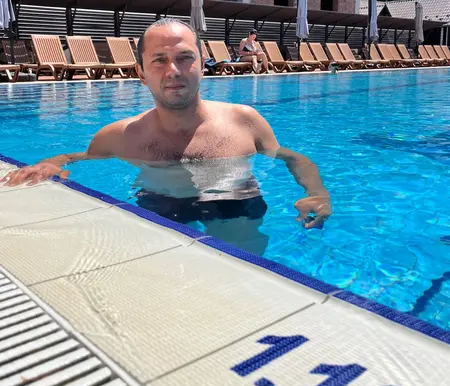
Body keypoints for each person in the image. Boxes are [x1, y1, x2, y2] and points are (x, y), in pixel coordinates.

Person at [1, 19, 331, 255]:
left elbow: (290, 157)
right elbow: (78, 158)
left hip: (235, 202)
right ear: (141, 73)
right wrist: (51, 163)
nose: (173, 70)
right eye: (159, 60)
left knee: (247, 273)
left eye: (185, 57)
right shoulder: (120, 135)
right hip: (160, 204)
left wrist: (317, 193)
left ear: (202, 64)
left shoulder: (244, 120)